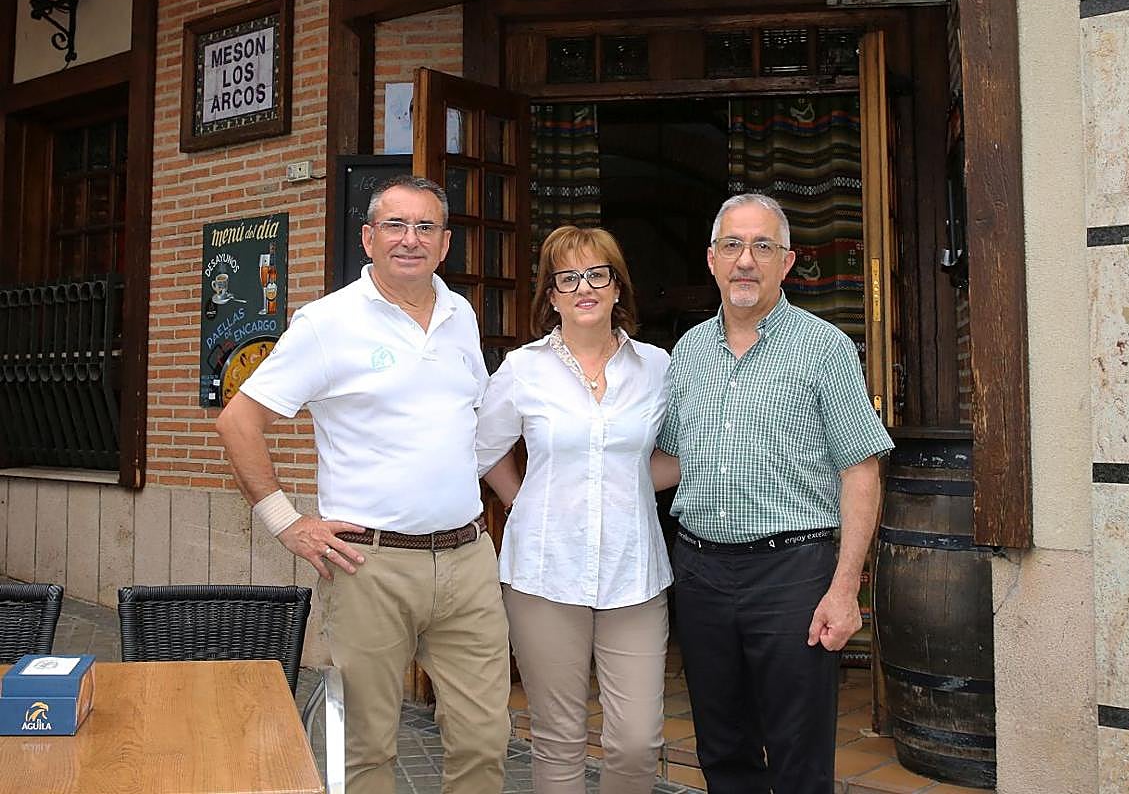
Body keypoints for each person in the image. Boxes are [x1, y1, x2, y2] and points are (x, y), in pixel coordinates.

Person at [216, 175, 511, 794]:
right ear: (368, 239)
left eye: (425, 227)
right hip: (369, 564)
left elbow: (473, 426)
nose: (411, 239)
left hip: (467, 559)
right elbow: (240, 419)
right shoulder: (328, 323)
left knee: (484, 738)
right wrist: (285, 521)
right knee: (365, 749)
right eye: (396, 226)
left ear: (445, 242)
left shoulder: (460, 316)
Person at [654, 194, 893, 794]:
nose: (746, 261)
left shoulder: (824, 348)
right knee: (722, 747)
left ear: (787, 263)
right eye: (732, 245)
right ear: (711, 259)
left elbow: (860, 468)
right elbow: (671, 463)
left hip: (793, 574)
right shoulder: (686, 355)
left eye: (764, 247)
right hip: (702, 573)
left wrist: (844, 589)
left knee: (797, 753)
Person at [476, 225, 673, 794]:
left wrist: (624, 483)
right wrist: (524, 500)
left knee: (637, 742)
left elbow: (676, 458)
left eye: (597, 274)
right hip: (543, 577)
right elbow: (485, 452)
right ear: (552, 294)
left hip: (633, 576)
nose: (584, 288)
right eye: (569, 278)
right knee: (558, 743)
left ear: (617, 288)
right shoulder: (522, 369)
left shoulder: (657, 368)